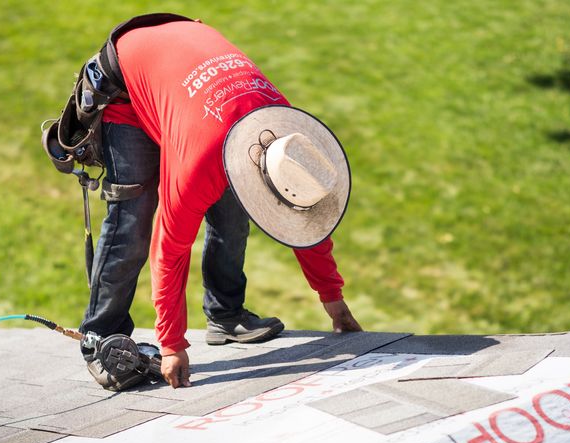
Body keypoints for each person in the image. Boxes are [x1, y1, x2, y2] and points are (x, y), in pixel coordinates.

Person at [79, 17, 362, 390]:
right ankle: (100, 338)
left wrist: (334, 300)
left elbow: (307, 223)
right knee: (133, 217)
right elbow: (170, 249)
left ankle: (225, 315)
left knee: (234, 207)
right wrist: (172, 344)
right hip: (126, 87)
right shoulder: (201, 162)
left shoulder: (286, 133)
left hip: (188, 82)